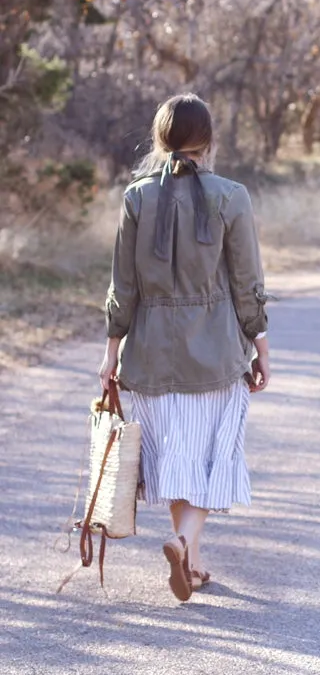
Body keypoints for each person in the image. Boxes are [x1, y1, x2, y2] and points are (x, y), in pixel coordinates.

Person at [98, 93, 270, 602]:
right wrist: (261, 345)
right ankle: (181, 541)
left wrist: (110, 354)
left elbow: (121, 287)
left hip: (149, 356)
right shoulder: (232, 196)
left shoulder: (136, 197)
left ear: (160, 139)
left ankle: (191, 562)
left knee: (178, 459)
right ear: (209, 141)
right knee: (208, 459)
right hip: (214, 356)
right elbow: (247, 284)